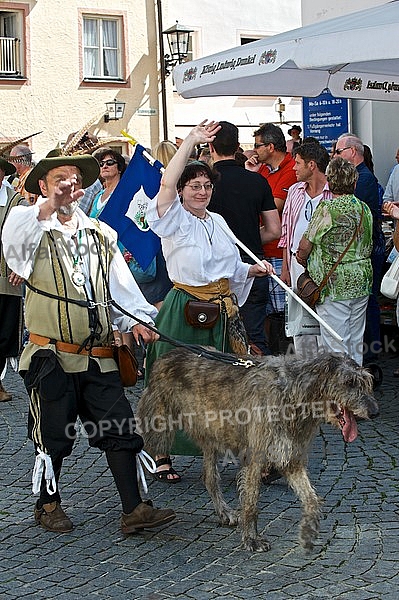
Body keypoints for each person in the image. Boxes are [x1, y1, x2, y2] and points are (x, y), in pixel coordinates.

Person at [1, 149, 175, 534]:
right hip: (50, 355)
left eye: (75, 178)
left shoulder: (101, 234)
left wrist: (141, 320)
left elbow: (120, 288)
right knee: (53, 433)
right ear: (43, 186)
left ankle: (134, 508)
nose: (70, 184)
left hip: (99, 354)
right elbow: (14, 252)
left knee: (120, 428)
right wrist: (48, 207)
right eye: (60, 178)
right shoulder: (28, 227)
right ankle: (47, 504)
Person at [144, 121, 275, 482]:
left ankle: (247, 452)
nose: (201, 191)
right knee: (173, 382)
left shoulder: (217, 220)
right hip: (184, 308)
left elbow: (231, 267)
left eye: (205, 186)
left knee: (230, 384)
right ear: (183, 191)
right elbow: (166, 184)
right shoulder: (174, 220)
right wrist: (189, 141)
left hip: (223, 311)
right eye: (194, 186)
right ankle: (162, 452)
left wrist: (254, 270)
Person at [208, 120, 280, 355]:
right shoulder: (258, 180)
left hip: (214, 266)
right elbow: (273, 230)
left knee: (216, 340)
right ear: (238, 146)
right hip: (253, 261)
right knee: (254, 337)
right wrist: (248, 236)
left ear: (210, 147)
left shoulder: (202, 185)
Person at [296, 157, 373, 366]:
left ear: (329, 181)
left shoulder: (326, 208)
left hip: (333, 284)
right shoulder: (364, 208)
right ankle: (356, 385)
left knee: (335, 345)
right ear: (354, 182)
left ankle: (339, 393)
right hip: (361, 280)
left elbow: (305, 245)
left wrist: (302, 260)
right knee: (356, 340)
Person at [333, 134, 385, 363]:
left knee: (368, 306)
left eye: (338, 151)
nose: (334, 156)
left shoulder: (363, 179)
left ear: (352, 152)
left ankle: (371, 354)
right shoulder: (362, 177)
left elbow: (351, 218)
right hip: (365, 253)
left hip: (366, 253)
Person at [279, 141, 332, 358]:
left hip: (324, 268)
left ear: (312, 165)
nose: (293, 168)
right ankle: (305, 374)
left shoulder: (334, 192)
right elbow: (287, 232)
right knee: (300, 326)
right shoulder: (294, 191)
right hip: (296, 265)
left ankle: (327, 374)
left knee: (325, 323)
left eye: (297, 163)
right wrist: (285, 268)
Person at [245, 123, 296, 318]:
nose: (255, 150)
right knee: (263, 312)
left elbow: (275, 205)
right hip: (263, 248)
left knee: (281, 313)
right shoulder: (264, 170)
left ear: (271, 147)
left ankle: (285, 349)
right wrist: (250, 173)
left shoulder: (291, 169)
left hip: (278, 250)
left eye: (257, 145)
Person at [0, 156, 25, 402]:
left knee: (6, 334)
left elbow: (27, 237)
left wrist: (21, 265)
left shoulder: (16, 203)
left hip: (7, 280)